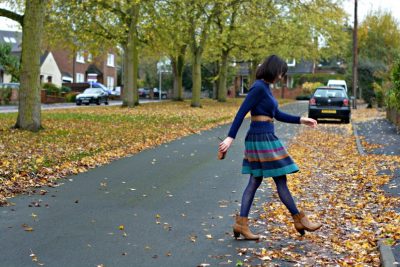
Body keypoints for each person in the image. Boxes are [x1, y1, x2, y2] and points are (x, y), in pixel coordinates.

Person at [218, 55, 322, 240]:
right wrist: (230, 138)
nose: (282, 76)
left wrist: (301, 120)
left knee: (255, 181)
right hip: (261, 137)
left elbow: (277, 114)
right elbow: (241, 113)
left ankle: (241, 224)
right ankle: (299, 219)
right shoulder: (258, 87)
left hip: (264, 136)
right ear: (274, 70)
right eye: (281, 73)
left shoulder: (265, 88)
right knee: (279, 179)